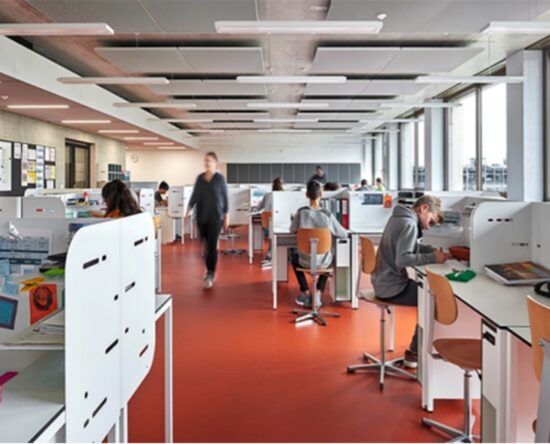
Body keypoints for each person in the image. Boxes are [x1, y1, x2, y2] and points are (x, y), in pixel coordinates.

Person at [371, 195, 451, 369]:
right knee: (432, 300)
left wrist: (430, 251)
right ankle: (414, 352)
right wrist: (433, 258)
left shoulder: (399, 217)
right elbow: (403, 259)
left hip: (381, 281)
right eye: (431, 221)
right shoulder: (409, 224)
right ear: (424, 208)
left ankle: (417, 350)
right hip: (391, 287)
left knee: (428, 294)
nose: (428, 226)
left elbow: (407, 246)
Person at [290, 180, 348, 308]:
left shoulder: (300, 212)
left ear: (306, 195)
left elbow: (292, 230)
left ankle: (306, 292)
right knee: (331, 256)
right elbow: (343, 234)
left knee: (293, 257)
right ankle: (318, 293)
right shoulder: (327, 214)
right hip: (323, 262)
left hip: (304, 261)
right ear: (321, 194)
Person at [186, 152, 229, 290]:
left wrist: (226, 215)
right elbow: (195, 195)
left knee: (211, 246)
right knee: (205, 247)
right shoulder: (200, 178)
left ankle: (210, 273)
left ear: (215, 163)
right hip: (201, 217)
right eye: (206, 160)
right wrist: (188, 209)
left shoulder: (219, 179)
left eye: (210, 160)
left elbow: (225, 198)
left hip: (215, 218)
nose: (207, 163)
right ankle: (209, 268)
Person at [256, 177, 284, 263]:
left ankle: (270, 254)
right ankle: (281, 255)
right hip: (280, 226)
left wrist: (255, 208)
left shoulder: (267, 195)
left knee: (272, 233)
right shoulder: (285, 196)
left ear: (272, 185)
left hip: (267, 227)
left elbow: (259, 208)